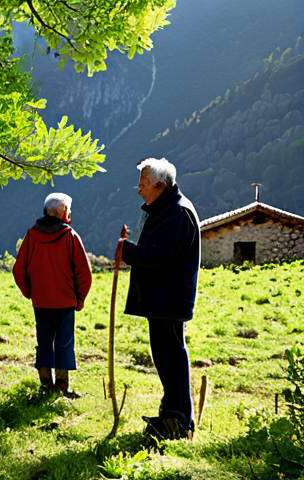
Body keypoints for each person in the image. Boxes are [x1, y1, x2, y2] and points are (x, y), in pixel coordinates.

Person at [120, 157, 200, 440]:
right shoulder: (168, 209)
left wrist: (126, 251)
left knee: (170, 356)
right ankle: (172, 414)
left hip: (169, 298)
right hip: (165, 297)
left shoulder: (176, 212)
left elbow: (158, 255)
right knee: (167, 356)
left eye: (143, 184)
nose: (138, 189)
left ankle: (177, 420)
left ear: (160, 185)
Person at [13, 193, 93, 398]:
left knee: (44, 343)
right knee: (64, 343)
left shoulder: (31, 235)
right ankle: (61, 387)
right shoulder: (70, 236)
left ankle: (45, 386)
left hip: (41, 302)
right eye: (69, 209)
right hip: (66, 303)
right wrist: (80, 299)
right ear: (63, 212)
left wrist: (30, 292)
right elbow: (84, 273)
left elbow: (18, 270)